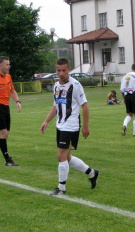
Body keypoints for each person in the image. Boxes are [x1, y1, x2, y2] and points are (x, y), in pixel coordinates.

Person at [40, 58, 99, 195]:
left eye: (64, 70)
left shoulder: (76, 85)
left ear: (69, 70)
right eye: (58, 70)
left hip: (71, 126)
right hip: (60, 125)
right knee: (67, 158)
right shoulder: (56, 86)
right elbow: (56, 106)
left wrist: (86, 126)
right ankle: (92, 173)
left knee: (60, 156)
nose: (61, 73)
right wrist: (46, 121)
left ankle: (61, 188)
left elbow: (85, 106)